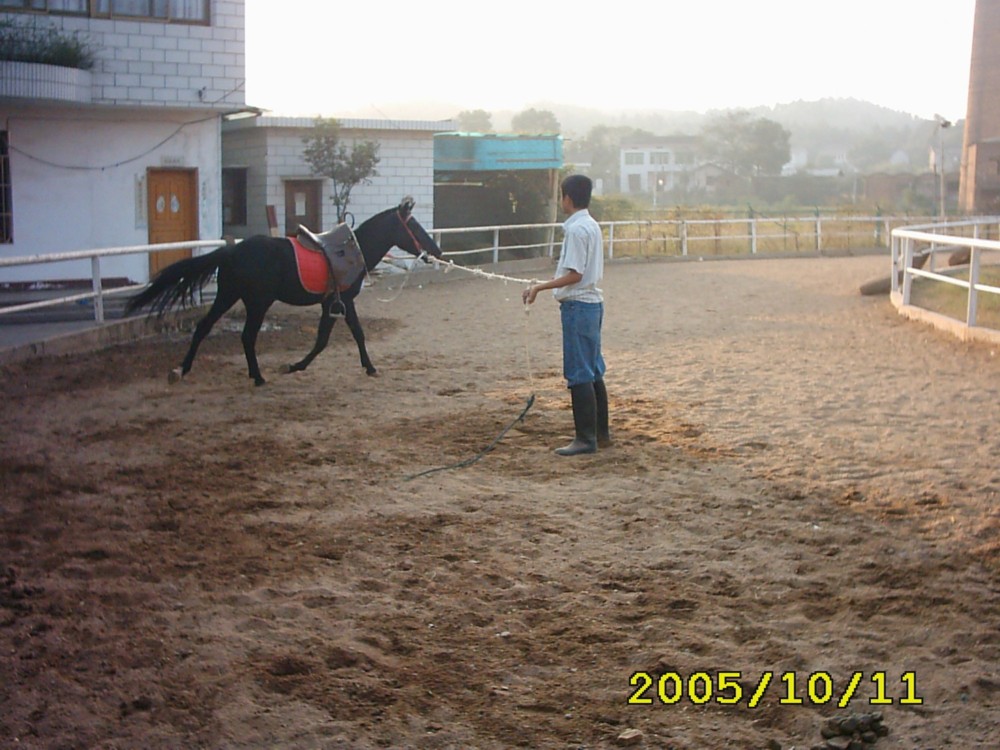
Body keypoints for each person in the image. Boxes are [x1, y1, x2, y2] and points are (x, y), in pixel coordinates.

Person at [522, 174, 610, 456]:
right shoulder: (591, 225)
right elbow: (576, 272)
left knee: (579, 372)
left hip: (578, 307)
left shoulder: (575, 230)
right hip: (592, 305)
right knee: (593, 369)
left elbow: (575, 274)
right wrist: (546, 283)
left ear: (567, 198)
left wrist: (540, 287)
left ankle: (585, 439)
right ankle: (600, 433)